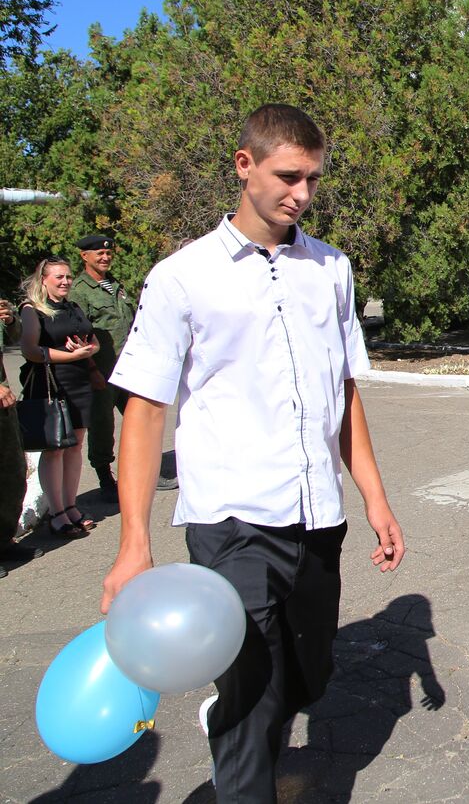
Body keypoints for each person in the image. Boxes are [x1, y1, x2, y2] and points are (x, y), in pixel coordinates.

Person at [99, 104, 406, 802]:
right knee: (253, 691)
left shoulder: (331, 269)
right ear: (245, 165)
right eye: (287, 175)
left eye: (313, 179)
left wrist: (376, 498)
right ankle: (241, 748)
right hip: (231, 519)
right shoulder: (182, 276)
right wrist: (134, 542)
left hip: (316, 514)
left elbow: (345, 392)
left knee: (308, 675)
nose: (301, 192)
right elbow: (145, 412)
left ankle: (247, 710)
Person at [18, 258, 100, 538]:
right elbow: (30, 349)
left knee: (75, 446)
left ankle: (71, 505)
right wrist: (71, 356)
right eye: (58, 278)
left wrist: (88, 350)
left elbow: (92, 338)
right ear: (44, 280)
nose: (65, 281)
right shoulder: (32, 310)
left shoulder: (72, 307)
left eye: (67, 276)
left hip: (78, 380)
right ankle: (56, 513)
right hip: (51, 383)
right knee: (55, 447)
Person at [69, 234, 135, 502]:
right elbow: (77, 335)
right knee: (102, 425)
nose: (105, 257)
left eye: (108, 253)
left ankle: (135, 474)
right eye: (99, 254)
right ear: (85, 256)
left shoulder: (115, 285)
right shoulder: (79, 292)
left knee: (136, 421)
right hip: (101, 371)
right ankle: (104, 475)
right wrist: (92, 370)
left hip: (129, 368)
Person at [0, 297, 44, 576]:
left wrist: (10, 321)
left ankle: (3, 541)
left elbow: (14, 339)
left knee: (12, 474)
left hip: (4, 405)